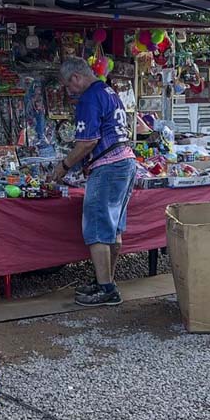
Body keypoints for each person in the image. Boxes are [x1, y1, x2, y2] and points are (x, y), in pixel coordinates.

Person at [50, 56, 137, 307]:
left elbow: (87, 141)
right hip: (126, 161)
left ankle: (106, 288)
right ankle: (106, 281)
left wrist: (64, 166)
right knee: (114, 227)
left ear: (76, 77)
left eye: (68, 86)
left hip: (108, 165)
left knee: (97, 228)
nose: (69, 92)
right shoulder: (108, 90)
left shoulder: (89, 97)